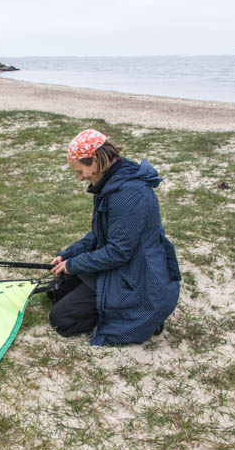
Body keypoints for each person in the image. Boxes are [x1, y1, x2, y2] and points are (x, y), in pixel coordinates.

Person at [48, 129, 181, 346]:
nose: (81, 178)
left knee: (61, 320)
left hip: (136, 276)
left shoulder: (128, 193)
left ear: (95, 160)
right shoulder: (110, 182)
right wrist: (68, 255)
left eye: (80, 171)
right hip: (121, 266)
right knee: (57, 290)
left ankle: (145, 318)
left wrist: (75, 264)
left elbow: (119, 252)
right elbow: (100, 233)